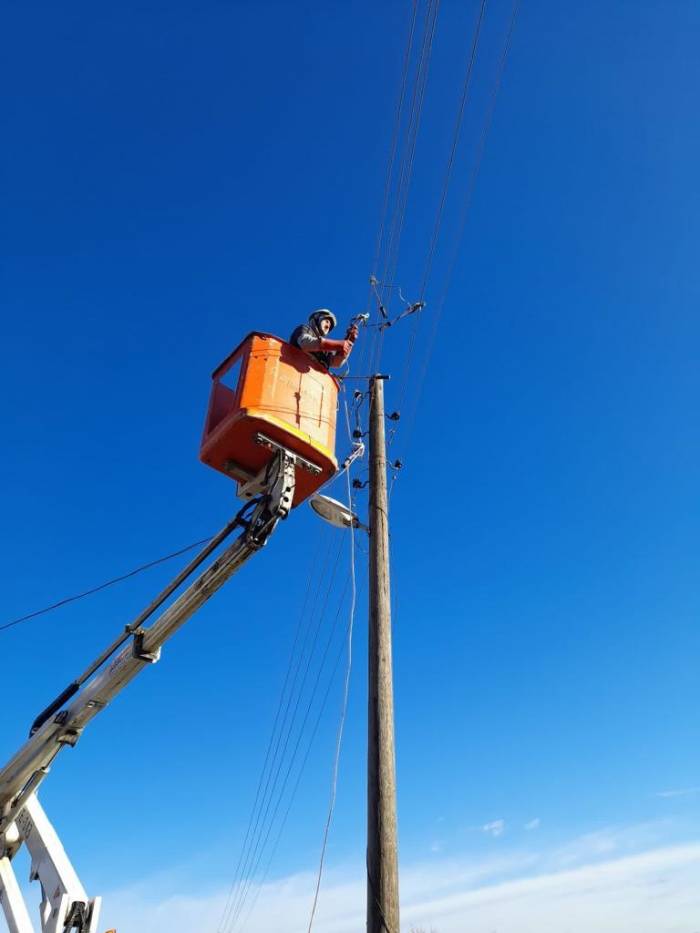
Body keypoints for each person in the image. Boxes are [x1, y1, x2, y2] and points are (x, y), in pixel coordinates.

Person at [290, 309, 358, 369]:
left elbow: (336, 363)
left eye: (330, 326)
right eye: (327, 321)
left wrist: (349, 341)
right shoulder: (305, 329)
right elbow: (305, 343)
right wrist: (338, 344)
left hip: (313, 381)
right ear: (317, 319)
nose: (328, 326)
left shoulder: (325, 350)